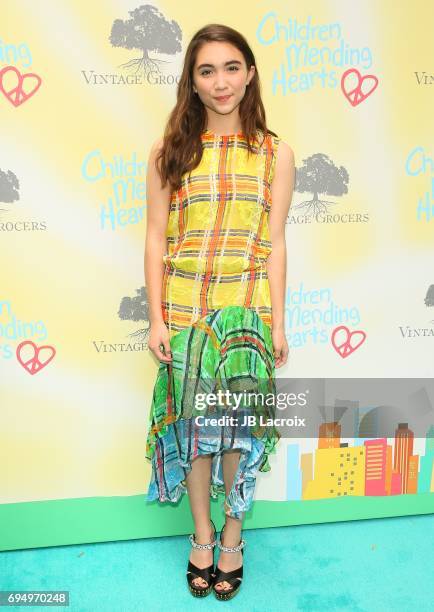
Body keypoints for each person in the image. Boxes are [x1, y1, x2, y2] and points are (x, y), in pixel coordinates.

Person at [144, 23, 294, 601]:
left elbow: (275, 241)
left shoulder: (276, 153)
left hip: (247, 318)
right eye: (207, 70)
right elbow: (157, 238)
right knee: (196, 434)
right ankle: (201, 533)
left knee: (238, 437)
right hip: (186, 315)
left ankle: (234, 536)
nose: (221, 81)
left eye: (232, 67)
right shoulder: (169, 152)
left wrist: (277, 323)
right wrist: (158, 319)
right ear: (192, 81)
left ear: (250, 72)